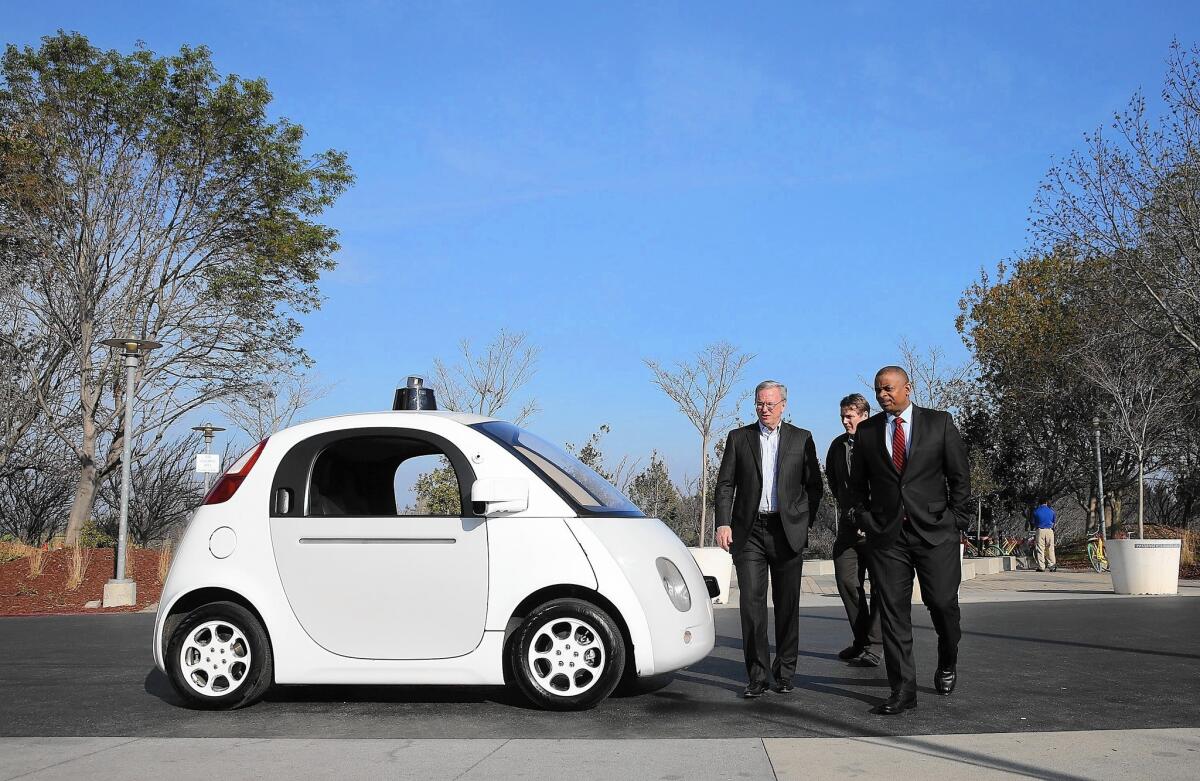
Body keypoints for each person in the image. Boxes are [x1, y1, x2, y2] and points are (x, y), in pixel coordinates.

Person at [848, 366, 971, 715]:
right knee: (892, 614)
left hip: (935, 533)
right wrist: (864, 518)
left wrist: (956, 521)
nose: (883, 395)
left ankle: (948, 660)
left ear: (908, 388)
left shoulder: (939, 423)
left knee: (944, 604)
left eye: (888, 389)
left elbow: (959, 477)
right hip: (888, 537)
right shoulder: (868, 431)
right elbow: (857, 485)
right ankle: (903, 691)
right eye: (877, 390)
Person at [715, 380, 823, 698]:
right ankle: (758, 675)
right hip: (749, 533)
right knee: (751, 605)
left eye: (770, 404)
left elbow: (814, 486)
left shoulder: (802, 438)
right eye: (760, 404)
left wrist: (804, 521)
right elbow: (725, 485)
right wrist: (723, 523)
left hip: (786, 531)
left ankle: (785, 672)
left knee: (787, 605)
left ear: (784, 404)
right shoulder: (739, 438)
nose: (764, 409)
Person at [825, 393, 882, 668]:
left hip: (877, 528)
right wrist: (849, 510)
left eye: (850, 416)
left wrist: (871, 519)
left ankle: (875, 644)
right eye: (843, 417)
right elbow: (833, 480)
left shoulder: (880, 440)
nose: (845, 421)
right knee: (848, 582)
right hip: (848, 528)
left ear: (864, 415)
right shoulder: (837, 446)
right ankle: (862, 641)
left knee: (882, 587)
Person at [1031, 499, 1057, 572]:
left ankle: (1041, 566)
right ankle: (1052, 566)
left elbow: (1033, 522)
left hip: (1040, 530)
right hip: (1049, 530)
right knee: (1050, 548)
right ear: (1046, 502)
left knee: (1040, 548)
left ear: (1039, 503)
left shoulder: (1036, 511)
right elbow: (1053, 521)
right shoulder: (1051, 511)